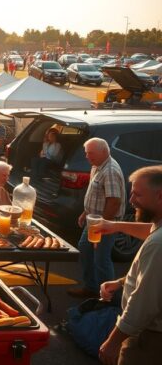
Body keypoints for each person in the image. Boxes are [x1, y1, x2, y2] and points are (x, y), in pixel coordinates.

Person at [97, 165, 162, 365]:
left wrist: (114, 341)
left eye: (137, 195)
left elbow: (144, 302)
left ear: (160, 196)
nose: (131, 201)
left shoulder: (158, 243)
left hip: (149, 339)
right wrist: (122, 282)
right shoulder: (157, 232)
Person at [69, 138, 126, 298]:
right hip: (94, 220)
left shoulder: (110, 170)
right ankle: (92, 287)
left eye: (91, 153)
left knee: (101, 258)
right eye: (86, 153)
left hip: (105, 223)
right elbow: (95, 194)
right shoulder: (97, 165)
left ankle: (108, 297)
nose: (87, 156)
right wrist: (85, 212)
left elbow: (114, 202)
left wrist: (102, 227)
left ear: (104, 151)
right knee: (85, 249)